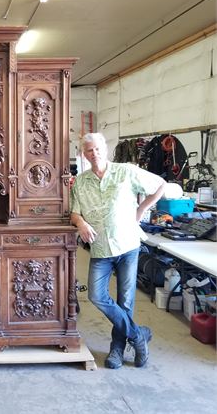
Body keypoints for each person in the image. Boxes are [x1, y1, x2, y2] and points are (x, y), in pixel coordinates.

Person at [71, 132, 166, 369]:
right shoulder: (81, 181)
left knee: (125, 301)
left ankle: (117, 349)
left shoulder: (126, 171)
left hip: (127, 245)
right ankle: (138, 335)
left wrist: (142, 210)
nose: (94, 153)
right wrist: (81, 223)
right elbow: (74, 212)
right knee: (96, 295)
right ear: (84, 154)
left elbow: (161, 185)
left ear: (105, 147)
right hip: (101, 248)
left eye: (98, 148)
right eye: (89, 150)